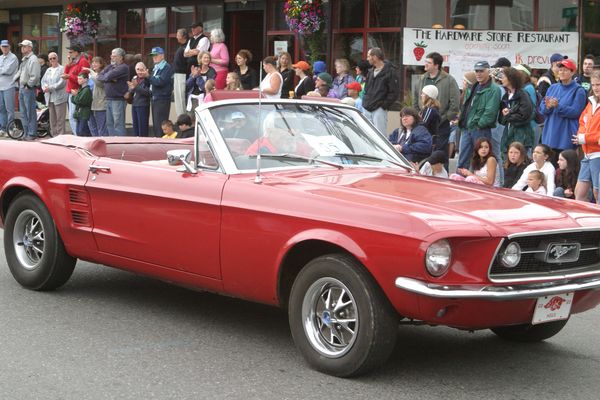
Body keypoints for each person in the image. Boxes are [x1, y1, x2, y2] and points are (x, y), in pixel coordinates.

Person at [539, 58, 587, 165]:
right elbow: (542, 109)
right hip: (550, 136)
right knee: (549, 168)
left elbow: (576, 112)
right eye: (560, 70)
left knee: (566, 169)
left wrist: (558, 106)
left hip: (565, 137)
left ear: (572, 72)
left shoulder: (578, 90)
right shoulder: (552, 87)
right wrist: (548, 106)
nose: (562, 72)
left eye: (565, 70)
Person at [414, 52, 460, 158]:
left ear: (436, 65)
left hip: (441, 126)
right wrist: (419, 116)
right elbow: (415, 100)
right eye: (425, 61)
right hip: (423, 125)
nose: (425, 64)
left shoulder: (449, 80)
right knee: (424, 155)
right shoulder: (421, 79)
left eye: (429, 62)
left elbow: (455, 105)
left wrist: (441, 119)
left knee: (440, 156)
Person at [457, 60, 501, 169]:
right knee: (462, 161)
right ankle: (459, 184)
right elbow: (466, 107)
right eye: (476, 71)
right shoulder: (473, 86)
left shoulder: (494, 89)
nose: (478, 74)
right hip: (467, 128)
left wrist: (478, 125)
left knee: (481, 162)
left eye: (481, 71)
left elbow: (490, 113)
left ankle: (478, 184)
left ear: (488, 71)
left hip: (480, 130)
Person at [573, 70, 600, 203]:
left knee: (597, 193)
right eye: (594, 85)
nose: (596, 88)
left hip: (598, 155)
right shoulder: (590, 103)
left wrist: (585, 138)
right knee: (579, 193)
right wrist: (581, 135)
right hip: (587, 153)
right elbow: (582, 121)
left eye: (599, 84)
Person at [498, 67, 535, 157]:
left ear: (511, 78)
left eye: (503, 76)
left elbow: (526, 115)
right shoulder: (506, 96)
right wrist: (504, 116)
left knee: (522, 163)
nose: (501, 79)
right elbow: (502, 119)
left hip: (522, 136)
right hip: (508, 136)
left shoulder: (523, 94)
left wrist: (508, 115)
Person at [362, 47, 400, 134]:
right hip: (367, 108)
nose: (367, 59)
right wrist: (365, 102)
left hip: (379, 109)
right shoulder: (370, 72)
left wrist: (383, 106)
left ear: (375, 57)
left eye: (368, 56)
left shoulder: (390, 72)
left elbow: (394, 93)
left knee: (380, 136)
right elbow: (366, 89)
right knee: (367, 135)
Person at [97, 47, 129, 136]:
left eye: (114, 56)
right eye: (111, 55)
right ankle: (113, 143)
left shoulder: (123, 67)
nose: (111, 57)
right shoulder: (110, 66)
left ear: (121, 57)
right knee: (109, 124)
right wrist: (109, 79)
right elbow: (99, 76)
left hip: (118, 100)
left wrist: (107, 78)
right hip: (109, 99)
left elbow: (106, 77)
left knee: (118, 124)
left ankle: (121, 144)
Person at [14, 39, 40, 141]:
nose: (22, 48)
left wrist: (28, 85)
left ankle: (32, 133)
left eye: (24, 46)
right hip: (22, 87)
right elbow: (20, 72)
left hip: (28, 88)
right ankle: (26, 133)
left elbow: (35, 76)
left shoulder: (33, 59)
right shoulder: (25, 59)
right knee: (23, 112)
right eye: (22, 46)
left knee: (30, 112)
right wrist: (14, 80)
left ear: (30, 47)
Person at [62, 44, 90, 134]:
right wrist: (68, 65)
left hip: (77, 92)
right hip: (71, 91)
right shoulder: (74, 62)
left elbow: (82, 78)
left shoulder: (83, 61)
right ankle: (76, 134)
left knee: (73, 116)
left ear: (77, 52)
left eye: (71, 52)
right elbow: (65, 74)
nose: (69, 54)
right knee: (72, 116)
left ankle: (77, 136)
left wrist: (69, 76)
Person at [146, 47, 173, 137]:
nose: (154, 57)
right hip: (155, 98)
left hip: (162, 99)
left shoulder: (166, 67)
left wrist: (148, 76)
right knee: (156, 124)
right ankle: (158, 140)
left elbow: (160, 82)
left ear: (162, 56)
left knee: (161, 124)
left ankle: (161, 142)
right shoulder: (156, 67)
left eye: (156, 55)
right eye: (152, 56)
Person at [40, 52, 68, 136]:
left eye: (54, 58)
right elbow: (43, 81)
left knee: (60, 118)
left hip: (59, 97)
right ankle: (54, 136)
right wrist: (44, 87)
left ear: (57, 58)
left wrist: (50, 87)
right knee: (52, 119)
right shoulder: (48, 70)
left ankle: (61, 136)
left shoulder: (62, 69)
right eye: (50, 59)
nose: (52, 60)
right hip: (49, 97)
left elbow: (62, 82)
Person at [127, 62, 151, 137]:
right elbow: (132, 90)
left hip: (143, 105)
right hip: (135, 104)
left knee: (142, 127)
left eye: (141, 70)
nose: (140, 72)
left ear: (145, 70)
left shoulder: (148, 79)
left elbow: (148, 92)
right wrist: (130, 91)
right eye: (138, 70)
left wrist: (136, 87)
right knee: (135, 126)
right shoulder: (134, 78)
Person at [85, 56, 107, 136]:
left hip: (100, 104)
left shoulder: (103, 74)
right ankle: (95, 143)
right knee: (92, 127)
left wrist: (92, 73)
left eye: (96, 62)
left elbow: (99, 83)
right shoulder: (91, 75)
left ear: (101, 64)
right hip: (90, 104)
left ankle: (103, 144)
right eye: (93, 62)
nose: (94, 64)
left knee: (101, 128)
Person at [0, 40, 18, 137]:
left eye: (6, 46)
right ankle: (3, 128)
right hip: (0, 87)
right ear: (0, 47)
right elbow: (4, 70)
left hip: (9, 86)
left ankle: (10, 128)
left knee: (9, 109)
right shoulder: (0, 57)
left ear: (9, 47)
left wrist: (2, 70)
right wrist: (2, 70)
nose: (5, 48)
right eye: (3, 46)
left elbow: (8, 71)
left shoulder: (13, 57)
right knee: (1, 109)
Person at [173, 28, 189, 117]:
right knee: (178, 98)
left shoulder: (187, 47)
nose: (176, 37)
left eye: (178, 35)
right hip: (177, 74)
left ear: (183, 36)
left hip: (182, 75)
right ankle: (180, 117)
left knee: (181, 97)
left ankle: (183, 118)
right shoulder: (181, 47)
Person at [70, 73, 93, 137]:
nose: (78, 80)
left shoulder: (87, 90)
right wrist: (74, 96)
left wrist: (75, 95)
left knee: (82, 131)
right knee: (78, 132)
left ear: (86, 79)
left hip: (84, 113)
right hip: (79, 113)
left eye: (80, 78)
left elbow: (80, 101)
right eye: (78, 78)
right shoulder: (81, 89)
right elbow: (74, 101)